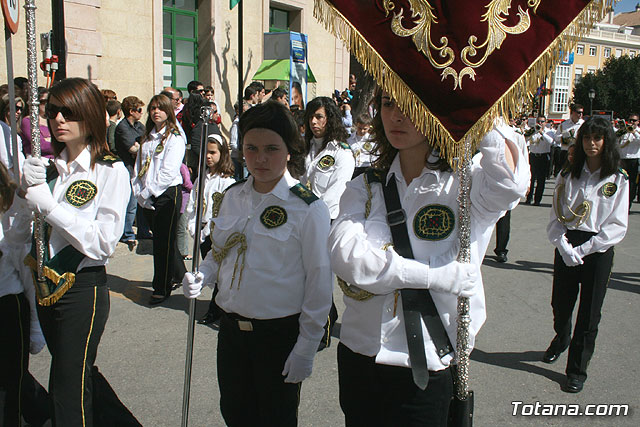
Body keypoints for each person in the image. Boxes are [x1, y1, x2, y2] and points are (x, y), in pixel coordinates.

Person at [328, 90, 528, 426]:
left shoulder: (466, 186)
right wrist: (433, 276)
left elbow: (510, 184)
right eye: (389, 104)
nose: (396, 115)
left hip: (427, 367)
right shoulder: (365, 186)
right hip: (360, 358)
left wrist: (476, 102)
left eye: (412, 105)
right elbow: (347, 258)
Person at [182, 101, 332, 426]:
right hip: (232, 332)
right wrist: (203, 274)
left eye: (271, 148)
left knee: (275, 418)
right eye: (251, 148)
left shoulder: (308, 208)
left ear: (289, 150)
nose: (260, 158)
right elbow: (219, 250)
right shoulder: (234, 196)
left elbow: (319, 283)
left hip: (278, 336)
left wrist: (306, 345)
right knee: (236, 414)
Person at [18, 77, 139, 425]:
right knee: (79, 374)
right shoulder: (50, 168)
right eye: (53, 111)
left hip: (83, 288)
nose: (58, 120)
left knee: (68, 387)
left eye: (68, 112)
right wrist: (26, 190)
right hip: (46, 288)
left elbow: (102, 243)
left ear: (89, 115)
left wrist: (50, 207)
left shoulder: (109, 170)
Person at [543, 116, 628, 393]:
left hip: (598, 247)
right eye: (587, 138)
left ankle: (577, 369)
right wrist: (564, 246)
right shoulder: (568, 173)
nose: (592, 144)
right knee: (560, 305)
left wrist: (585, 248)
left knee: (589, 314)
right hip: (568, 242)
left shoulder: (617, 178)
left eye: (597, 138)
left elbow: (616, 225)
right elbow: (556, 216)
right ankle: (561, 337)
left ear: (606, 142)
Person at [0, 161, 50, 427]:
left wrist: (34, 329)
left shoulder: (9, 225)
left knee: (9, 387)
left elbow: (25, 272)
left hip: (7, 306)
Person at [132, 94, 187, 304]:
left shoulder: (174, 138)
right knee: (165, 239)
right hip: (146, 194)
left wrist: (148, 193)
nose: (156, 112)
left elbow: (168, 171)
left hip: (166, 194)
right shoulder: (147, 137)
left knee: (161, 244)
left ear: (168, 111)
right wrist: (139, 192)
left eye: (160, 108)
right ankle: (179, 273)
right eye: (153, 108)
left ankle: (161, 287)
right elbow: (139, 167)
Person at [184, 133, 236, 325]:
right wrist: (193, 225)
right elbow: (193, 203)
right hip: (201, 232)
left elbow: (224, 213)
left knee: (221, 273)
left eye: (213, 152)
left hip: (216, 234)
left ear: (222, 154)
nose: (208, 156)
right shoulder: (201, 178)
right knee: (208, 271)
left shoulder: (226, 182)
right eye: (206, 152)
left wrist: (209, 231)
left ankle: (216, 310)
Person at [115, 96, 146, 250]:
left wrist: (141, 146)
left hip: (139, 167)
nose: (142, 113)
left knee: (141, 200)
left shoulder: (139, 126)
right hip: (127, 167)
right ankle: (127, 233)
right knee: (130, 202)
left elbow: (147, 144)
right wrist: (140, 147)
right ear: (132, 111)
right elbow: (132, 149)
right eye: (139, 110)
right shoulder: (122, 127)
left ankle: (143, 230)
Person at [525, 115, 553, 205]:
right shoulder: (533, 131)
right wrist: (532, 132)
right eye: (539, 121)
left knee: (541, 180)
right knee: (531, 179)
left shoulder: (549, 132)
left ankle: (537, 200)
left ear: (545, 122)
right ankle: (528, 199)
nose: (540, 123)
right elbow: (526, 139)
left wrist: (542, 133)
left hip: (543, 157)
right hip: (533, 156)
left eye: (542, 122)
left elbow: (551, 142)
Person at [21, 87, 55, 159]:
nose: (46, 104)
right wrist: (61, 145)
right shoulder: (28, 121)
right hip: (39, 161)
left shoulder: (53, 119)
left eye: (48, 101)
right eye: (43, 102)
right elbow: (40, 145)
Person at [554, 104, 584, 176]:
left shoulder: (583, 124)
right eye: (578, 112)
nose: (580, 114)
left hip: (578, 152)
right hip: (565, 152)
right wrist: (564, 137)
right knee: (563, 174)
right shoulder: (564, 124)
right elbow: (556, 138)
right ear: (573, 112)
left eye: (582, 112)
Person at [617, 112, 640, 208]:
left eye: (634, 120)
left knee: (632, 183)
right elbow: (615, 141)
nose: (631, 122)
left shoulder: (638, 132)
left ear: (638, 122)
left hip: (633, 160)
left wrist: (634, 133)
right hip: (622, 160)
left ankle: (628, 203)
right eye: (630, 120)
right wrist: (621, 132)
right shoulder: (624, 131)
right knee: (620, 181)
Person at [347, 112, 376, 177]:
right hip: (353, 169)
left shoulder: (372, 140)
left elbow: (375, 157)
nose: (362, 131)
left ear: (369, 127)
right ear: (356, 125)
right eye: (360, 128)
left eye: (365, 129)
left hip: (367, 169)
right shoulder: (348, 139)